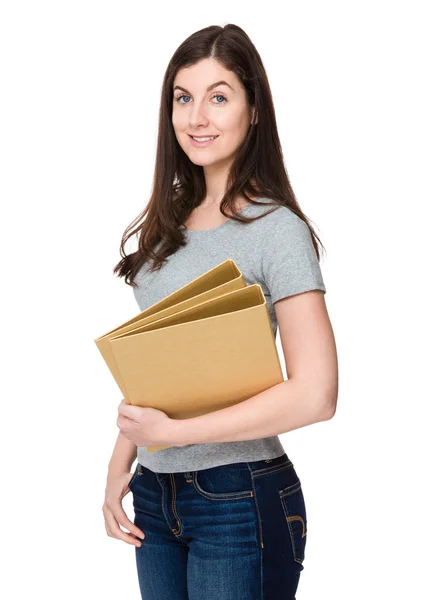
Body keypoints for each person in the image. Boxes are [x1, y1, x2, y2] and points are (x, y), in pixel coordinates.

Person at [102, 23, 338, 600]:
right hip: (156, 496)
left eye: (219, 96)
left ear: (253, 110)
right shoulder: (168, 231)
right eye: (183, 98)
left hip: (238, 495)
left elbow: (317, 395)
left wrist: (176, 433)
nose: (196, 117)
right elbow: (161, 373)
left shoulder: (276, 230)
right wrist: (120, 464)